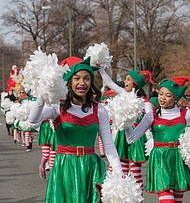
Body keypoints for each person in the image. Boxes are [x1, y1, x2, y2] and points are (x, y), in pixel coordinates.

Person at [29, 57, 124, 203]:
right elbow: (33, 119)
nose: (82, 83)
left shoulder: (100, 110)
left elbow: (109, 145)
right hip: (65, 167)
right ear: (68, 82)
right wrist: (42, 94)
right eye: (77, 78)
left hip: (90, 167)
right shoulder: (57, 107)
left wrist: (119, 173)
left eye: (86, 79)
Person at [125, 77, 190, 203]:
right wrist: (127, 123)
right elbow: (131, 139)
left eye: (168, 95)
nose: (162, 98)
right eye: (160, 94)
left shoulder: (185, 114)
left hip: (178, 159)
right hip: (160, 159)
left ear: (175, 98)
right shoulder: (151, 116)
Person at [99, 68, 155, 191]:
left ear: (135, 84)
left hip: (136, 138)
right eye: (125, 79)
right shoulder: (123, 94)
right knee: (122, 171)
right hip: (122, 135)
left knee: (135, 173)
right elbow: (110, 83)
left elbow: (150, 118)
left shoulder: (145, 102)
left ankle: (138, 198)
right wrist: (100, 68)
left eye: (128, 79)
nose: (125, 81)